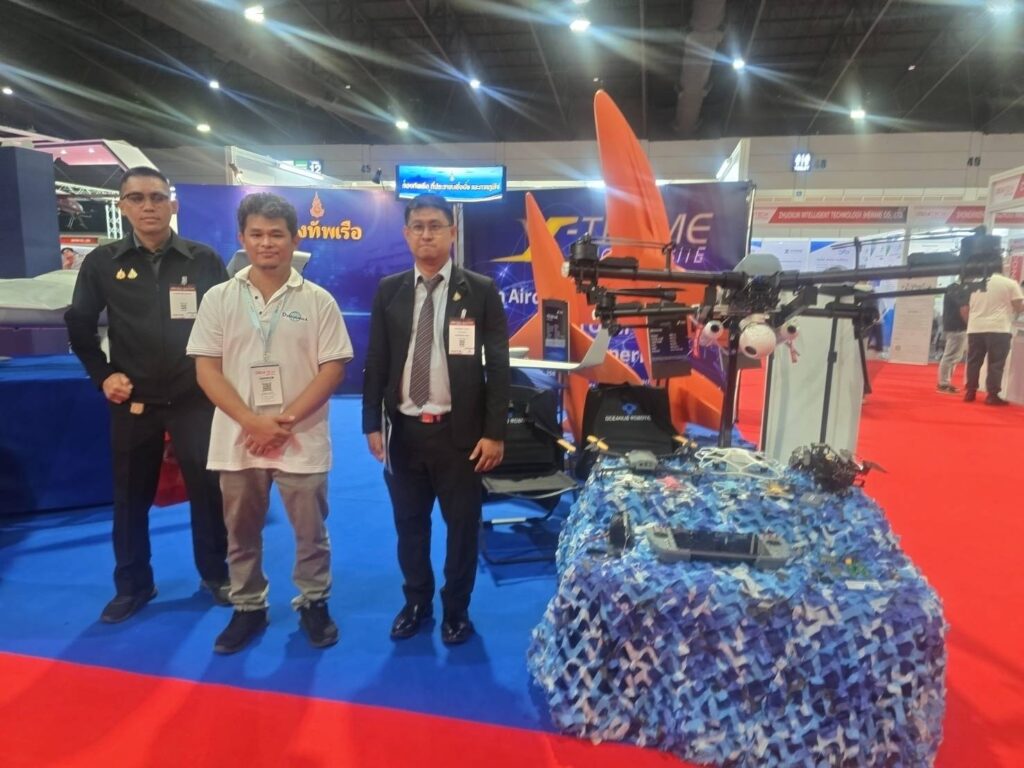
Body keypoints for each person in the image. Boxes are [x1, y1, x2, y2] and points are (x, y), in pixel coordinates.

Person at [188, 192, 352, 653]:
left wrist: (283, 421)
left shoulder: (318, 301)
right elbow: (206, 369)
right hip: (237, 438)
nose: (266, 243)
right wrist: (250, 421)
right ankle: (248, 606)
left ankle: (314, 601)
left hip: (301, 437)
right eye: (256, 234)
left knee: (310, 532)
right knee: (240, 532)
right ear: (242, 238)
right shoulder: (219, 298)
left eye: (276, 234)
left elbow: (333, 369)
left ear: (294, 240)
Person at [65, 166, 229, 623]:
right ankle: (133, 584)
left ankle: (216, 573)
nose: (148, 206)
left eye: (157, 197)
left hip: (196, 398)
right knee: (130, 498)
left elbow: (228, 325)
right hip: (134, 401)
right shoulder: (104, 262)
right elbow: (79, 324)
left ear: (172, 205)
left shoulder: (203, 259)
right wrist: (103, 376)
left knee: (209, 492)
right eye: (136, 198)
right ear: (123, 207)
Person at [362, 193, 509, 646]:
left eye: (435, 226)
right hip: (403, 432)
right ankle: (417, 602)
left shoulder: (480, 290)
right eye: (418, 227)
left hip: (459, 436)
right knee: (410, 525)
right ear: (407, 234)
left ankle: (456, 609)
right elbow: (377, 360)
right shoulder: (389, 290)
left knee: (462, 529)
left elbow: (498, 366)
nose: (427, 235)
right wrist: (371, 423)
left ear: (452, 232)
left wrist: (494, 433)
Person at [964, 267, 1024, 405]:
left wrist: (971, 323)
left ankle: (970, 392)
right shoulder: (1010, 283)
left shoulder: (974, 284)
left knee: (974, 361)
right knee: (996, 363)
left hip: (975, 328)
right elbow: (1018, 307)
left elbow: (966, 308)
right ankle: (992, 395)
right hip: (999, 328)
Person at [936, 280, 970, 394]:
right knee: (950, 356)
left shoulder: (954, 288)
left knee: (954, 356)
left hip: (955, 326)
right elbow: (963, 308)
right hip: (957, 326)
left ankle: (945, 382)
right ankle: (943, 384)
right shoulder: (958, 289)